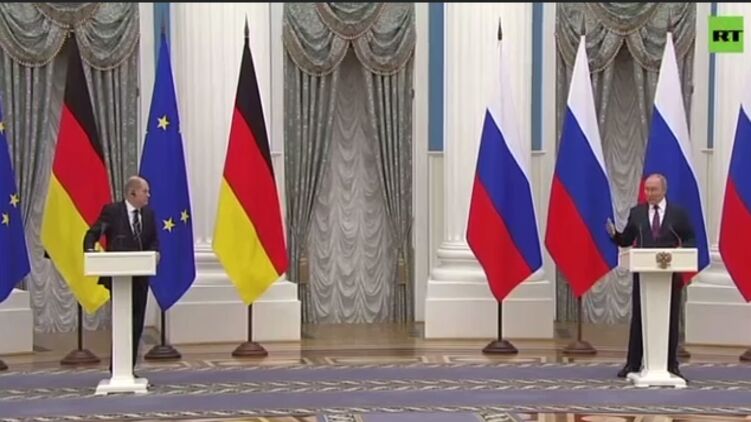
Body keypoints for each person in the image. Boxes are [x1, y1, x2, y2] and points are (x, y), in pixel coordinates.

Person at [606, 173, 695, 381]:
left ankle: (671, 365)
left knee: (670, 319)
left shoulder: (678, 214)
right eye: (646, 189)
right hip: (644, 274)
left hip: (669, 275)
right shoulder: (637, 213)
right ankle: (633, 363)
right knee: (639, 318)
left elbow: (690, 238)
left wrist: (682, 251)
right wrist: (615, 235)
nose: (649, 193)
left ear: (664, 190)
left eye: (653, 189)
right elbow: (627, 239)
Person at [83, 176, 159, 373]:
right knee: (122, 322)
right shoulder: (112, 211)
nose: (149, 195)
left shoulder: (149, 214)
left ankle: (128, 369)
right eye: (145, 191)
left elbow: (153, 240)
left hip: (140, 278)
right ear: (133, 193)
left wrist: (155, 253)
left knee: (137, 324)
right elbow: (93, 233)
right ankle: (117, 368)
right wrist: (89, 249)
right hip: (119, 278)